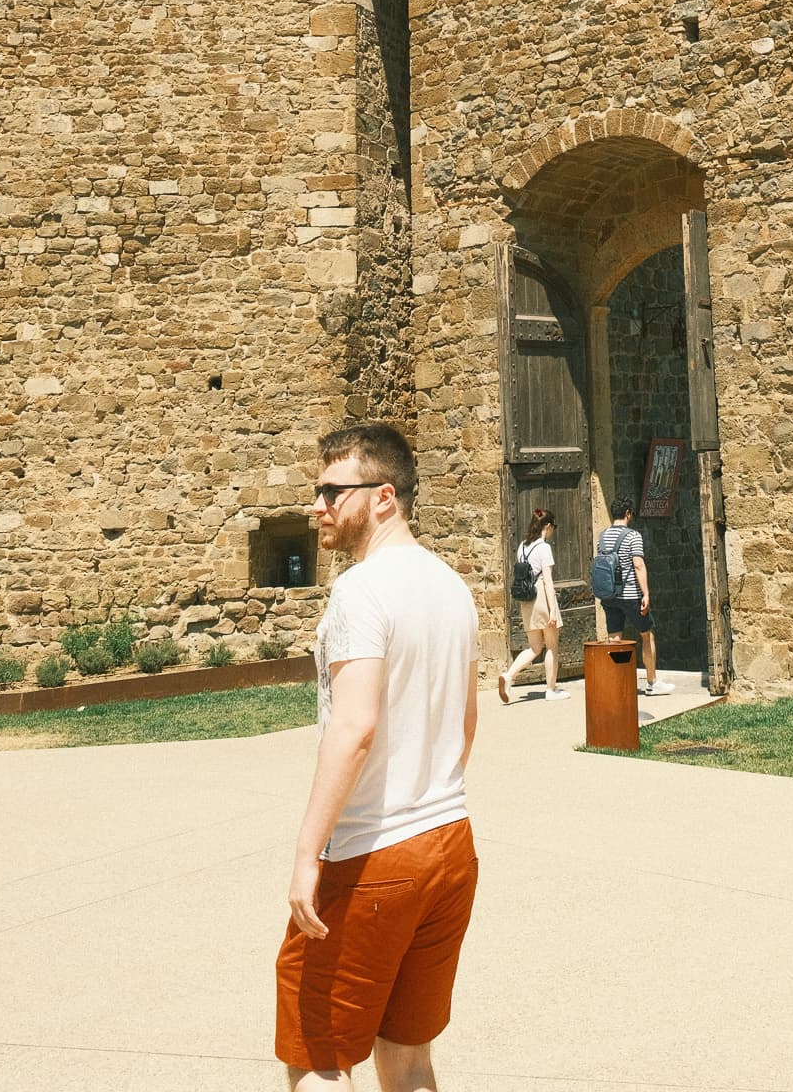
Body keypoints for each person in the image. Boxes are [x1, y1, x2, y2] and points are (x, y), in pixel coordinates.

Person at [275, 421, 480, 1091]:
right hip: (449, 844)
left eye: (332, 492)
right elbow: (466, 725)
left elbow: (354, 727)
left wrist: (307, 855)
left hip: (372, 854)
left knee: (317, 1055)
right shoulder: (452, 588)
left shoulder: (360, 590)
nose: (318, 506)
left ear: (383, 497)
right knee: (409, 1056)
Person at [596, 496, 674, 696]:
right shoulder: (633, 536)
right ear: (628, 514)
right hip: (630, 594)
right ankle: (652, 682)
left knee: (615, 638)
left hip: (609, 595)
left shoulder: (602, 537)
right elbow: (638, 564)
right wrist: (646, 593)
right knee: (647, 635)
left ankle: (615, 684)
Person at [498, 507, 570, 703]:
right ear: (548, 526)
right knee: (552, 645)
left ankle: (508, 675)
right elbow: (547, 581)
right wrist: (553, 610)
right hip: (541, 597)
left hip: (527, 600)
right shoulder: (544, 548)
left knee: (534, 647)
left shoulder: (522, 547)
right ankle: (551, 690)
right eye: (554, 527)